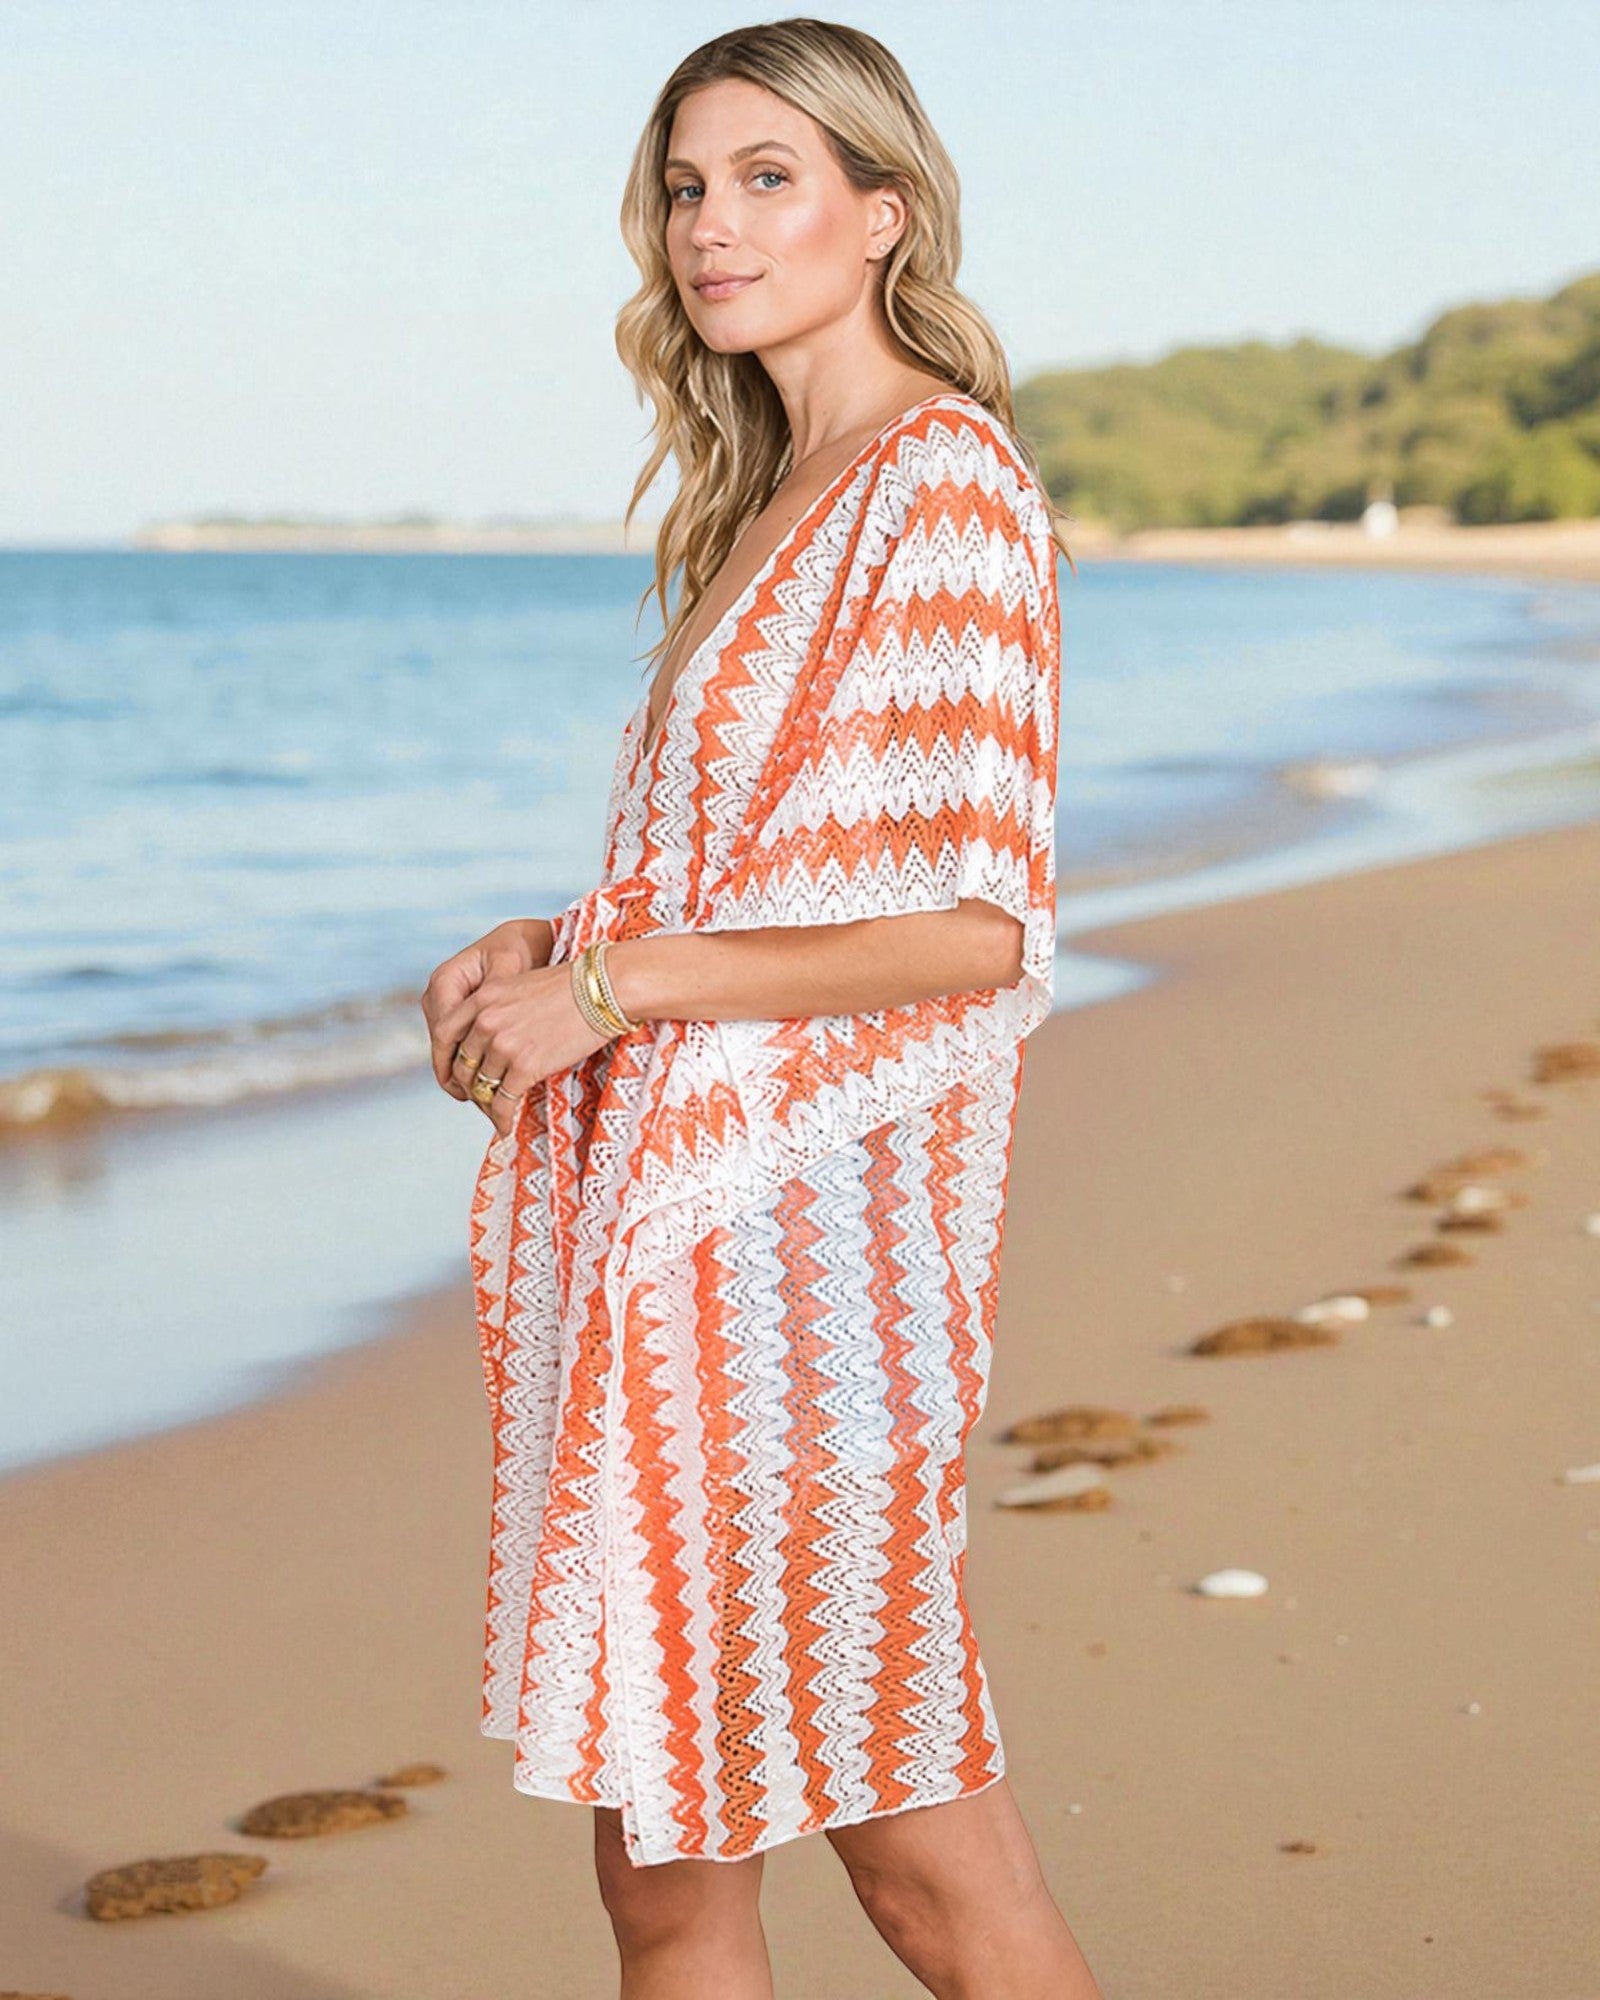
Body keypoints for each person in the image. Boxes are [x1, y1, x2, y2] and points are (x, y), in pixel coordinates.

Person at [420, 19, 1102, 1998]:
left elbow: (977, 925)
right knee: (664, 1880)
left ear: (881, 215)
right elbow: (764, 875)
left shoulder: (939, 484)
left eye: (767, 178)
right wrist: (544, 946)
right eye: (685, 185)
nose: (711, 226)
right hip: (680, 1262)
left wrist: (621, 983)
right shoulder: (765, 499)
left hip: (803, 1277)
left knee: (924, 1874)